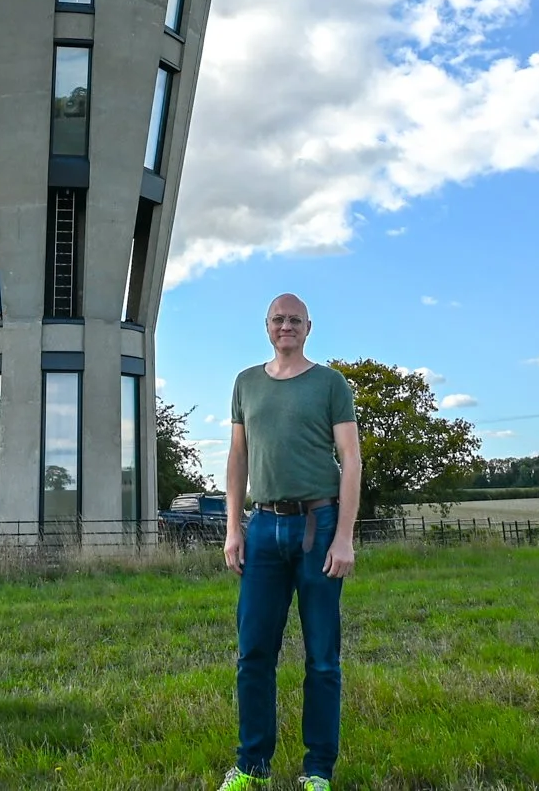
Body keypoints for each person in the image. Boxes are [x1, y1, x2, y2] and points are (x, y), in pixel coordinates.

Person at [216, 293, 362, 791]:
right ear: (266, 325)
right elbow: (237, 458)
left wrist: (344, 536)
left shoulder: (330, 384)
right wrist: (234, 528)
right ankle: (252, 765)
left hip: (317, 528)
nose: (286, 326)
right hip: (262, 529)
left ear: (308, 327)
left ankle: (318, 770)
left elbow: (351, 458)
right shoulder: (246, 383)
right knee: (253, 652)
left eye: (295, 320)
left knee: (322, 656)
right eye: (279, 319)